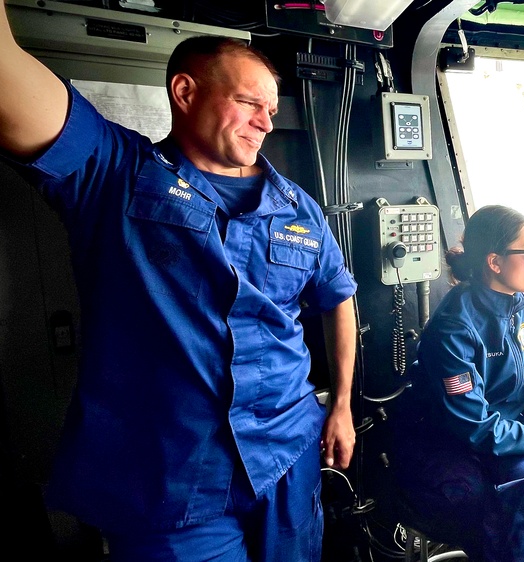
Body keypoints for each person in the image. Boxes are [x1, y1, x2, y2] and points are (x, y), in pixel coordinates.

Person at [0, 7, 359, 561]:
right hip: (168, 480)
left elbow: (338, 296)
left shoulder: (297, 206)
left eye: (270, 107)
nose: (265, 122)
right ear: (186, 92)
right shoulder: (114, 173)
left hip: (287, 457)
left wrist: (340, 404)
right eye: (247, 103)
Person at [391, 205, 524, 561]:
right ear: (495, 262)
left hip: (508, 429)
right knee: (484, 507)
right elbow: (473, 425)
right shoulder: (454, 327)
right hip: (448, 442)